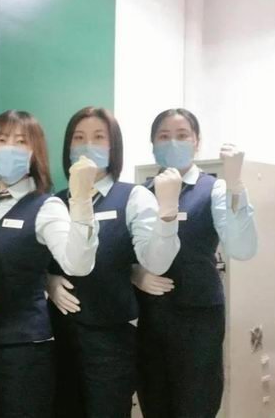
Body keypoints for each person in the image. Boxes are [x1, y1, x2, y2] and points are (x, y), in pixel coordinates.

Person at [0, 109, 100, 418]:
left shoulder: (47, 206)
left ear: (35, 152)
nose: (9, 147)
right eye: (2, 140)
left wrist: (81, 202)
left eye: (21, 141)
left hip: (25, 347)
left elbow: (77, 263)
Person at [47, 106, 182, 417]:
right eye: (79, 138)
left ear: (114, 147)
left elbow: (156, 261)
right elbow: (36, 261)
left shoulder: (133, 197)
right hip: (61, 334)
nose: (87, 145)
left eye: (99, 137)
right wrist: (48, 282)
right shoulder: (56, 201)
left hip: (111, 335)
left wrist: (168, 214)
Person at [134, 108, 258, 418]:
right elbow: (122, 252)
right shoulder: (142, 194)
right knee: (154, 402)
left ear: (196, 142)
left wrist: (235, 186)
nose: (173, 142)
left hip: (198, 318)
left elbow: (242, 247)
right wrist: (134, 273)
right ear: (152, 144)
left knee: (196, 404)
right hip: (151, 317)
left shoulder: (212, 189)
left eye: (182, 135)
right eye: (164, 136)